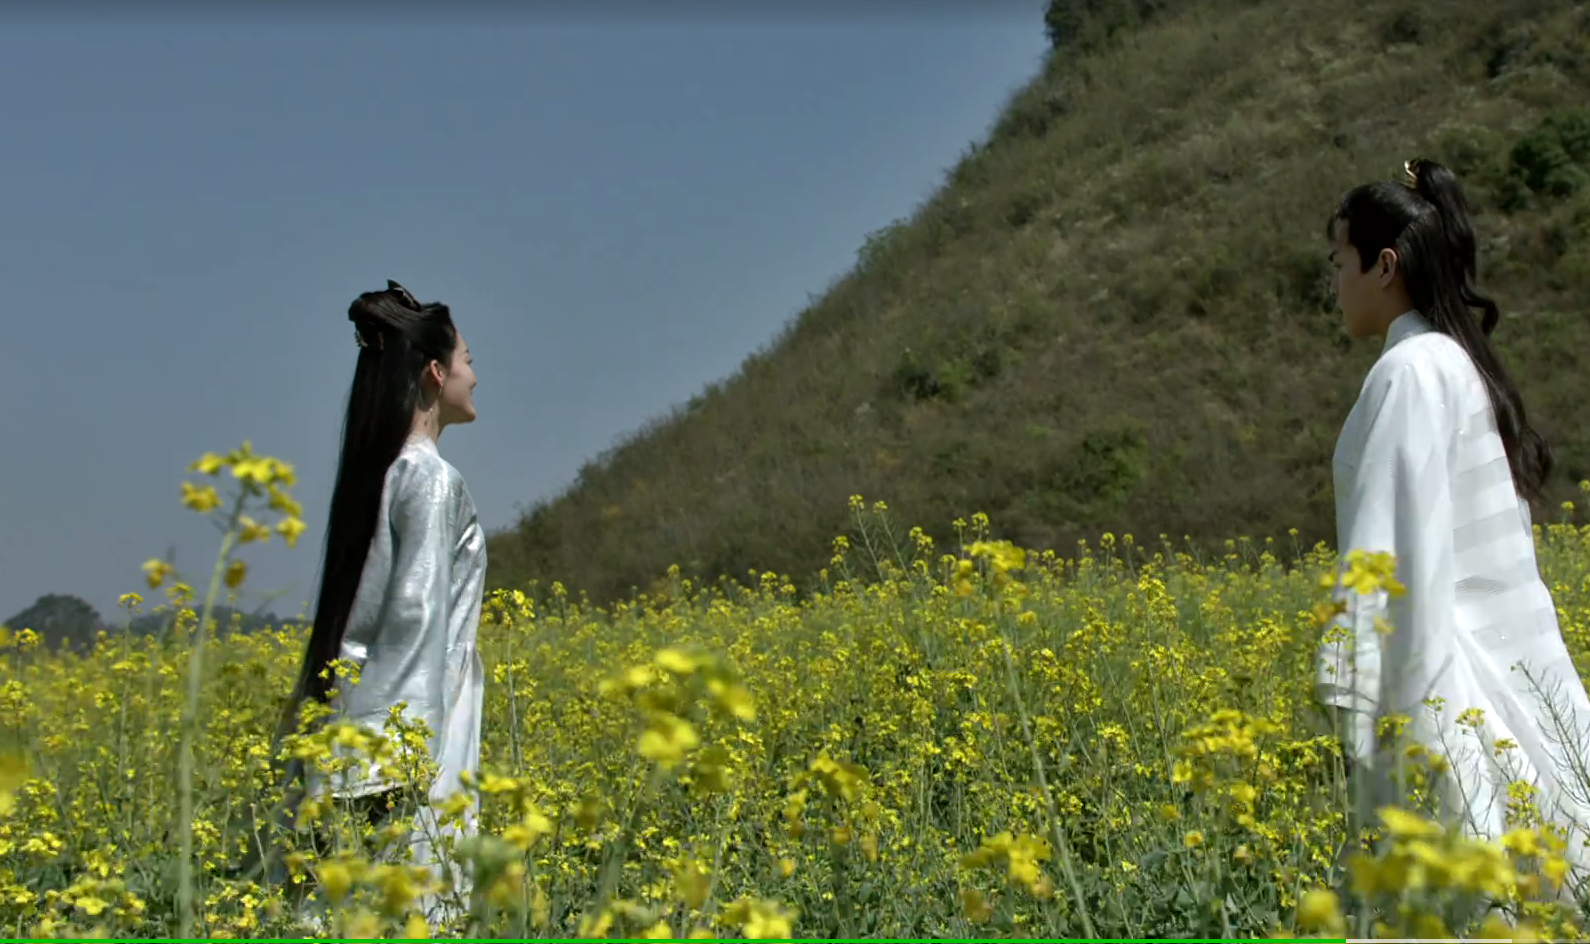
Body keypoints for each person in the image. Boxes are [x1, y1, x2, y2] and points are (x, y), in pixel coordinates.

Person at [1315, 158, 1590, 875]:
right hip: (1493, 690)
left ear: (1383, 266)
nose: (1332, 283)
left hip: (1448, 697)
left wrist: (1348, 702)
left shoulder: (1409, 372)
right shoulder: (1456, 365)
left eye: (1339, 261)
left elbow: (1383, 554)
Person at [249, 280, 487, 927]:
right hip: (413, 734)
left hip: (360, 724)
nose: (476, 374)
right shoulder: (432, 479)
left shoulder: (383, 475)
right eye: (468, 359)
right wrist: (404, 770)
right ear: (436, 374)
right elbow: (415, 624)